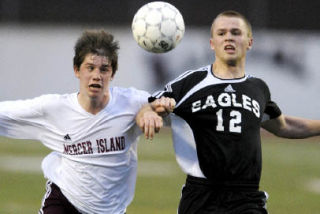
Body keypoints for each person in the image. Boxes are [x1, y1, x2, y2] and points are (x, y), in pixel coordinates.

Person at [139, 10, 320, 214]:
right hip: (201, 197)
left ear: (249, 42)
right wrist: (149, 113)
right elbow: (150, 104)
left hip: (247, 198)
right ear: (212, 43)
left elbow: (284, 126)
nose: (229, 38)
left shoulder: (258, 88)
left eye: (236, 32)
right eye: (222, 33)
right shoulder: (191, 82)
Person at [0, 30, 164, 214]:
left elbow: (169, 103)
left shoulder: (132, 102)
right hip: (64, 200)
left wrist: (149, 110)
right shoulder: (55, 108)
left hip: (109, 210)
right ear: (77, 70)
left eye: (104, 69)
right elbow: (6, 112)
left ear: (112, 74)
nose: (96, 75)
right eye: (90, 67)